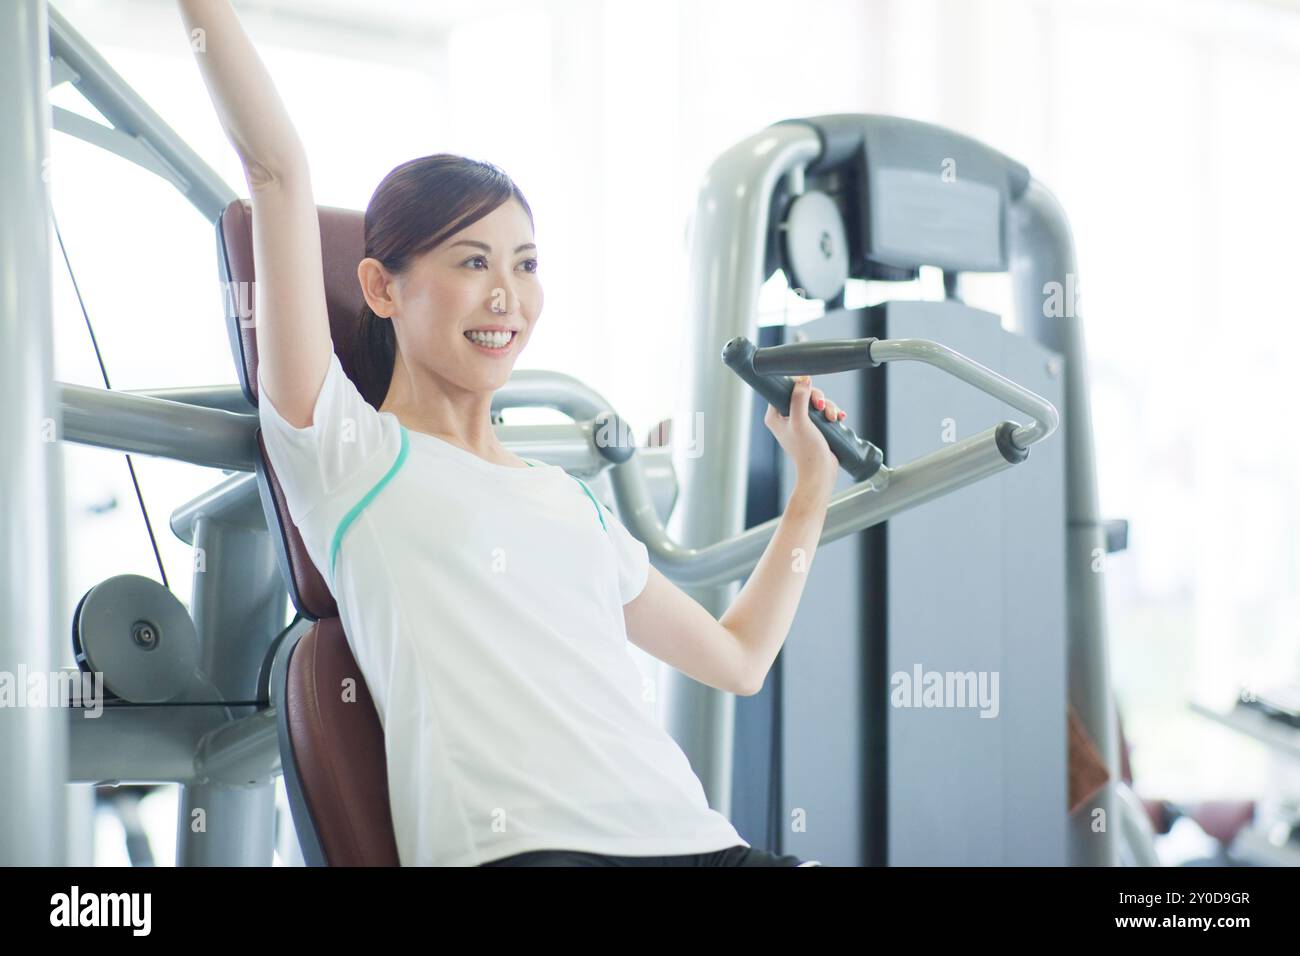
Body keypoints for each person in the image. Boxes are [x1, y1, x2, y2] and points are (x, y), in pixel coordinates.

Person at [179, 0, 843, 867]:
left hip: (704, 846)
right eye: (471, 262)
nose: (508, 296)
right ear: (380, 288)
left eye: (525, 265)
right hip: (534, 852)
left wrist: (812, 493)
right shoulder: (349, 452)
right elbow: (275, 171)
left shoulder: (568, 498)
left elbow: (737, 659)